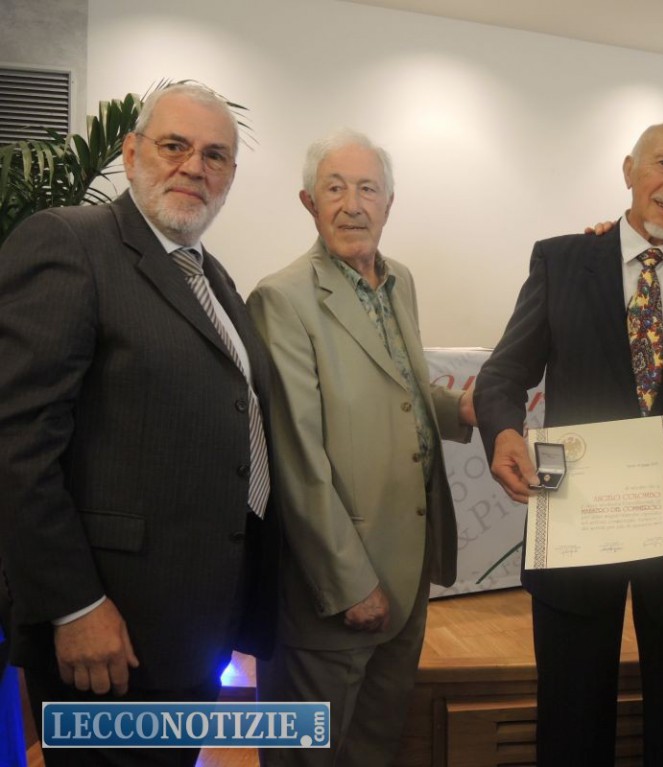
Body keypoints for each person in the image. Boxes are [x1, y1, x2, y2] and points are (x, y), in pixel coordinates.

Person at [0, 82, 279, 766]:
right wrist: (73, 605)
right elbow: (17, 443)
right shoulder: (71, 242)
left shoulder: (212, 278)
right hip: (107, 632)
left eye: (215, 155)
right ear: (130, 153)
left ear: (231, 175)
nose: (194, 167)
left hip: (190, 630)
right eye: (174, 145)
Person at [473, 120, 663, 767]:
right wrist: (505, 431)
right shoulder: (560, 261)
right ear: (629, 170)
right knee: (571, 716)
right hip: (576, 520)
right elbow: (502, 375)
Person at [248, 129, 475, 767]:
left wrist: (458, 409)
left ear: (389, 202)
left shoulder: (400, 280)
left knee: (375, 749)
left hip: (406, 574)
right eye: (335, 188)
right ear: (308, 202)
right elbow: (296, 457)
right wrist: (349, 584)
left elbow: (397, 389)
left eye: (368, 189)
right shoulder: (281, 298)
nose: (353, 205)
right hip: (336, 587)